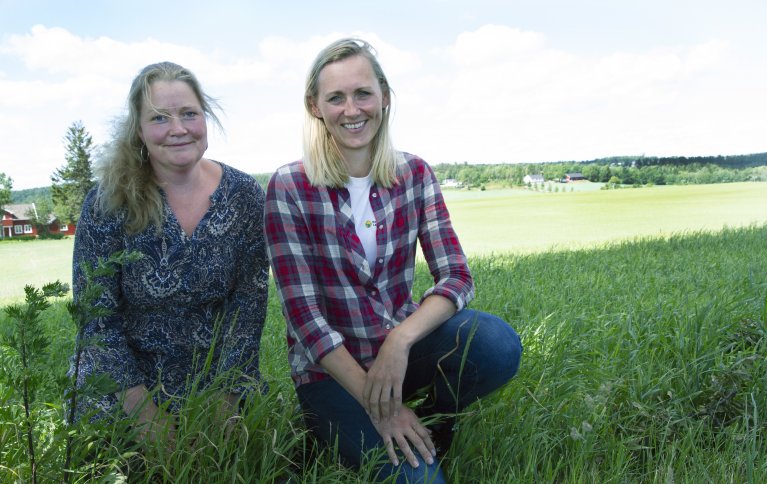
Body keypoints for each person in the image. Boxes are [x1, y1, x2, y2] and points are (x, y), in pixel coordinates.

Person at [265, 38, 522, 483]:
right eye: (336, 98)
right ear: (315, 106)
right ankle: (332, 428)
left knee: (496, 344)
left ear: (384, 97)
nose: (352, 109)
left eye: (363, 93)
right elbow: (305, 320)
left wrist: (399, 341)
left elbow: (457, 277)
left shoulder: (414, 174)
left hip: (400, 356)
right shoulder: (290, 186)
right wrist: (382, 407)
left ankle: (435, 425)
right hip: (332, 373)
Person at [70, 61, 268, 445]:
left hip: (212, 375)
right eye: (160, 118)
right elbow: (96, 319)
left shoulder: (244, 195)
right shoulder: (108, 202)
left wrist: (225, 398)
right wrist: (145, 415)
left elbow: (250, 303)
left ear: (205, 120)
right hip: (124, 378)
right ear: (139, 131)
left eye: (189, 114)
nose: (178, 129)